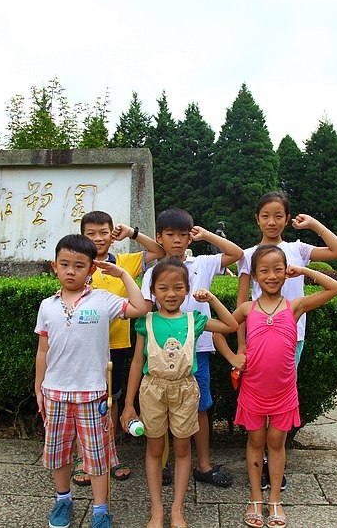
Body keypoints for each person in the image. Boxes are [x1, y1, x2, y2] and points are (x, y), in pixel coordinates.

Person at [231, 191, 337, 491]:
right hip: (258, 339)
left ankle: (274, 461)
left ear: (287, 218)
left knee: (281, 400)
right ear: (256, 219)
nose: (272, 222)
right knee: (257, 403)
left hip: (292, 337)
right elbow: (241, 304)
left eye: (278, 216)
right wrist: (241, 347)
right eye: (265, 216)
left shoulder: (298, 249)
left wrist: (314, 225)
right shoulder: (247, 255)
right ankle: (260, 462)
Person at [34, 234, 148, 528]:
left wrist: (122, 274)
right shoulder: (47, 305)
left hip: (92, 393)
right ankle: (63, 500)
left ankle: (100, 509)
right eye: (64, 264)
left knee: (97, 456)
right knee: (59, 454)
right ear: (54, 266)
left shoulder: (103, 300)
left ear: (91, 269)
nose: (71, 271)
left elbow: (140, 308)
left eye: (79, 266)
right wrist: (38, 387)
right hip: (55, 392)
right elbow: (43, 350)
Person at [122, 258, 238, 528]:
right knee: (154, 448)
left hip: (185, 389)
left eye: (178, 287)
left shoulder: (194, 320)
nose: (171, 294)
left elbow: (231, 325)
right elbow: (137, 363)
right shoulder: (146, 321)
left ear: (187, 289)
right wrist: (128, 404)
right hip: (152, 389)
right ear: (153, 290)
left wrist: (211, 298)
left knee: (183, 449)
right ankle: (156, 510)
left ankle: (177, 510)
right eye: (163, 288)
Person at [234, 245, 337, 528]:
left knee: (276, 443)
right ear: (254, 275)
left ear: (286, 273)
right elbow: (223, 328)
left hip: (283, 391)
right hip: (253, 389)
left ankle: (275, 500)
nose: (271, 276)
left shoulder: (294, 306)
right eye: (264, 271)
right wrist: (234, 356)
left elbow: (335, 288)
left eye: (278, 270)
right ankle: (255, 498)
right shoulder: (247, 308)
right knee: (255, 441)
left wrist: (303, 270)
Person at [140, 208, 243, 489]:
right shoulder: (152, 273)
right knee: (161, 408)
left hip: (198, 348)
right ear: (159, 237)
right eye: (170, 234)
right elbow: (146, 309)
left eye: (183, 234)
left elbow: (236, 254)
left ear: (190, 237)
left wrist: (207, 235)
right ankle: (162, 464)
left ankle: (203, 465)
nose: (177, 240)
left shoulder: (203, 263)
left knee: (200, 406)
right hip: (162, 352)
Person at [71, 211, 165, 486]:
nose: (98, 238)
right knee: (82, 400)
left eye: (104, 232)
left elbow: (159, 251)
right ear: (82, 236)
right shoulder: (79, 264)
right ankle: (82, 458)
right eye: (91, 233)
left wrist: (133, 233)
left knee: (111, 400)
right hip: (84, 345)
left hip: (117, 344)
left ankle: (108, 454)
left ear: (112, 235)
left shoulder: (124, 262)